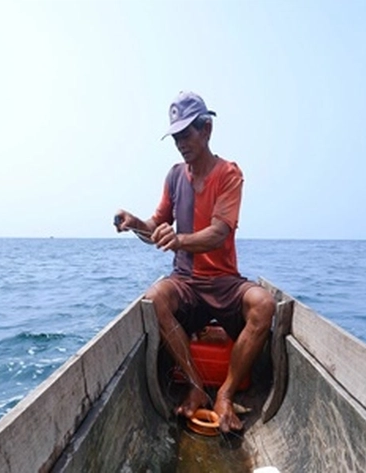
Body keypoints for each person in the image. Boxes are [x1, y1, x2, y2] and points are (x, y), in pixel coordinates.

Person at [114, 91, 275, 433]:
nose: (181, 143)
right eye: (176, 136)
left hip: (224, 282)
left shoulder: (228, 174)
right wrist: (135, 224)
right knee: (154, 298)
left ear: (207, 130)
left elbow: (218, 232)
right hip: (186, 282)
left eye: (186, 133)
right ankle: (197, 385)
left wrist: (181, 239)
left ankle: (226, 394)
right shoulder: (174, 176)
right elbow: (157, 225)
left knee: (264, 304)